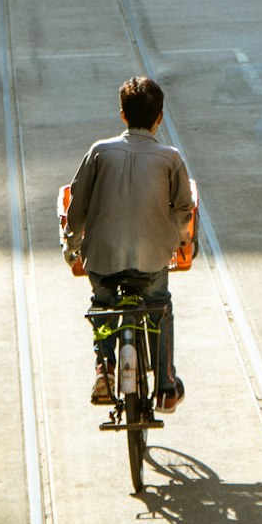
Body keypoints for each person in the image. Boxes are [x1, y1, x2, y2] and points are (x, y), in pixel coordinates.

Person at [64, 76, 193, 413]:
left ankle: (105, 367)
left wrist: (72, 246)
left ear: (122, 114)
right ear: (160, 117)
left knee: (103, 302)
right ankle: (165, 387)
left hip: (102, 259)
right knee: (159, 306)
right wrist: (176, 236)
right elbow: (184, 209)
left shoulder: (99, 152)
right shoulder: (171, 158)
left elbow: (76, 207)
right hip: (151, 262)